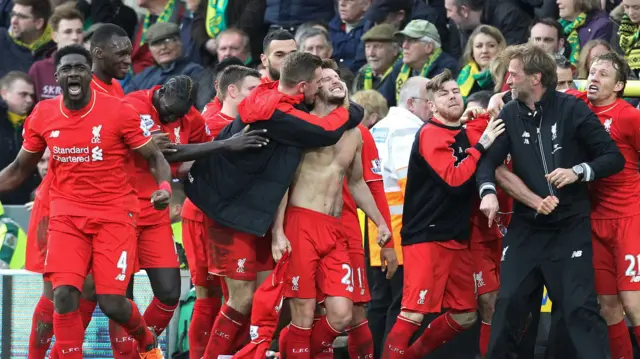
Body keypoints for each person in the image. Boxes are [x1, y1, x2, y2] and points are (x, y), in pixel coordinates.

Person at [184, 52, 361, 359]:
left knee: (265, 302)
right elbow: (328, 131)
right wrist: (347, 104)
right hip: (226, 210)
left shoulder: (281, 100)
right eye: (319, 82)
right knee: (239, 299)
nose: (322, 87)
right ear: (303, 85)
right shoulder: (278, 115)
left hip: (255, 214)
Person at [0, 44, 169, 359]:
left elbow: (155, 157)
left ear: (90, 73)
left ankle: (146, 340)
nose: (73, 73)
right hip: (65, 214)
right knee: (62, 294)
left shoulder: (118, 111)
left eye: (80, 67)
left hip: (114, 215)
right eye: (66, 69)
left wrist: (164, 188)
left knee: (111, 302)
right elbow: (20, 169)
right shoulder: (44, 114)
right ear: (57, 76)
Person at [476, 43, 623, 358]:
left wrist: (578, 172)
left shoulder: (573, 109)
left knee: (579, 309)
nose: (508, 82)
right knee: (508, 304)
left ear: (536, 78)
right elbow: (489, 162)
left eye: (514, 75)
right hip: (527, 227)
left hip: (570, 226)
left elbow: (613, 157)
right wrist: (487, 190)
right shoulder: (509, 112)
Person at [382, 69, 504, 359]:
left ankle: (411, 356)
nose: (452, 96)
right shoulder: (431, 133)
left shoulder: (458, 131)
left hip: (455, 237)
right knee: (412, 313)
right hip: (427, 236)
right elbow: (455, 178)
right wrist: (481, 145)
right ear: (431, 106)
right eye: (443, 93)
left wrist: (475, 120)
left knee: (465, 315)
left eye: (455, 92)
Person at [273, 64, 392, 359]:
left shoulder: (355, 134)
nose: (335, 81)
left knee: (341, 315)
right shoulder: (299, 126)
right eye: (325, 79)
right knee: (303, 314)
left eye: (337, 77)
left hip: (335, 227)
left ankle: (289, 351)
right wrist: (277, 233)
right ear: (313, 91)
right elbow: (280, 184)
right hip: (300, 224)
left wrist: (380, 222)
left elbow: (357, 182)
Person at [543, 52, 640, 359]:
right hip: (592, 220)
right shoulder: (577, 105)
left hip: (628, 217)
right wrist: (492, 102)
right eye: (592, 72)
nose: (594, 78)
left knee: (634, 306)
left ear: (620, 85)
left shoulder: (629, 117)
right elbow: (535, 90)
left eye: (603, 75)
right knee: (607, 306)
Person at [178, 65, 263, 359]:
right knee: (209, 296)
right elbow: (182, 165)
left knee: (233, 297)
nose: (259, 94)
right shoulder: (210, 124)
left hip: (229, 220)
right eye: (254, 88)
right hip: (201, 218)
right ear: (232, 90)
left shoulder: (246, 123)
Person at [366, 76, 429, 359]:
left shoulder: (380, 128)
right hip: (402, 230)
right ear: (413, 103)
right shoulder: (407, 129)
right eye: (431, 102)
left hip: (377, 229)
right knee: (402, 304)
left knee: (380, 302)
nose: (434, 108)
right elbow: (411, 182)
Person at [28, 4, 84, 102]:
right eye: (68, 32)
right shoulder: (39, 70)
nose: (75, 37)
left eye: (79, 31)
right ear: (54, 36)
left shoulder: (94, 69)